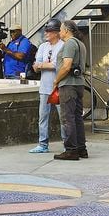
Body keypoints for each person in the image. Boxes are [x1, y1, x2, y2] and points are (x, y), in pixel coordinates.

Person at [53, 19, 87, 160]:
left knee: (67, 118)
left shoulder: (69, 44)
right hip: (79, 84)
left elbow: (66, 66)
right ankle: (81, 148)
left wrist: (56, 80)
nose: (59, 32)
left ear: (66, 31)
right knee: (77, 117)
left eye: (60, 30)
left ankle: (71, 150)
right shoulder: (80, 44)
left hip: (68, 84)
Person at [29, 19, 64, 153]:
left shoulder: (62, 45)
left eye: (49, 31)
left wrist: (42, 65)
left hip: (58, 87)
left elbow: (57, 65)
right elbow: (35, 65)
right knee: (43, 116)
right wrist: (40, 66)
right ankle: (42, 144)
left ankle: (67, 143)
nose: (46, 33)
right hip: (44, 87)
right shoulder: (43, 46)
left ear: (56, 32)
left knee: (63, 117)